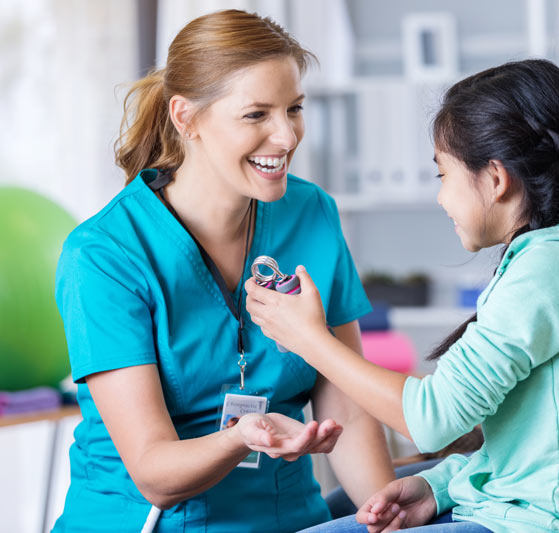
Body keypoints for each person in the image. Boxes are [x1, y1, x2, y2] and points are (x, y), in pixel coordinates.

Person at [246, 59, 559, 532]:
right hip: (550, 513)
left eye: (442, 175)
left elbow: (431, 420)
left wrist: (308, 338)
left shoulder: (550, 270)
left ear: (495, 178)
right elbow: (538, 447)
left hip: (550, 525)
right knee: (347, 502)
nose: (442, 198)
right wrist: (438, 487)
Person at [53, 9, 393, 532]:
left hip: (292, 521)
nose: (285, 137)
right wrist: (243, 435)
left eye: (294, 109)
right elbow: (154, 473)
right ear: (186, 118)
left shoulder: (312, 213)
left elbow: (347, 411)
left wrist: (385, 518)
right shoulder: (104, 256)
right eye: (256, 115)